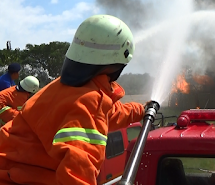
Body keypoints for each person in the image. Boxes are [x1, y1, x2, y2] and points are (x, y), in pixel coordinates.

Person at [0, 15, 145, 185]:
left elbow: (110, 113)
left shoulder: (61, 88)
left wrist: (141, 109)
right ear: (116, 65)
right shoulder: (90, 101)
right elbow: (76, 176)